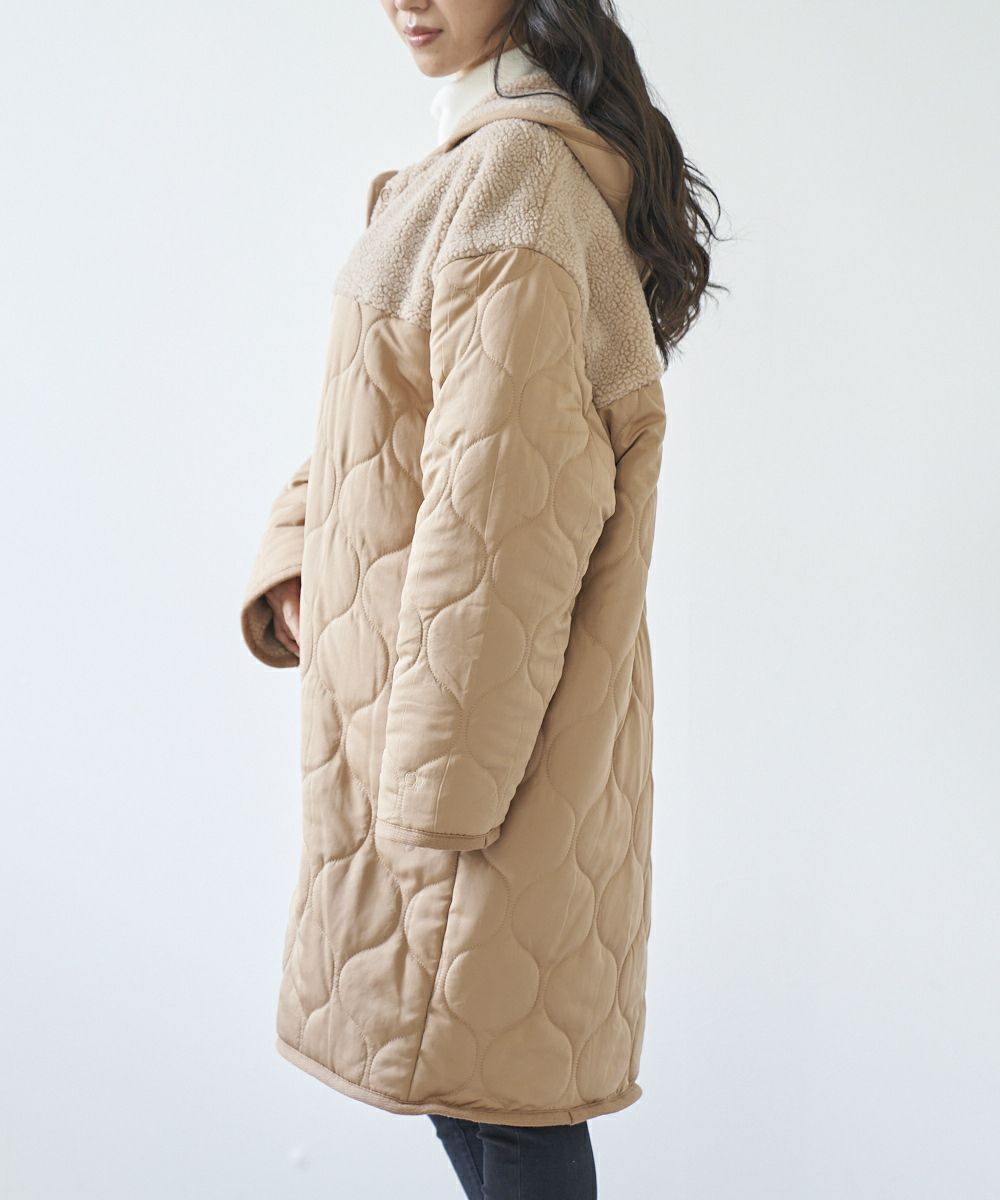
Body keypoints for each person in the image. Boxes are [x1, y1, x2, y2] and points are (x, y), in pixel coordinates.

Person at [240, 2, 722, 1195]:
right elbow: (377, 421)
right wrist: (301, 558)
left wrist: (432, 802)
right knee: (486, 1099)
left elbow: (501, 518)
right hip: (440, 727)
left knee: (502, 1111)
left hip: (469, 755)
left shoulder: (514, 178)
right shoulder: (479, 163)